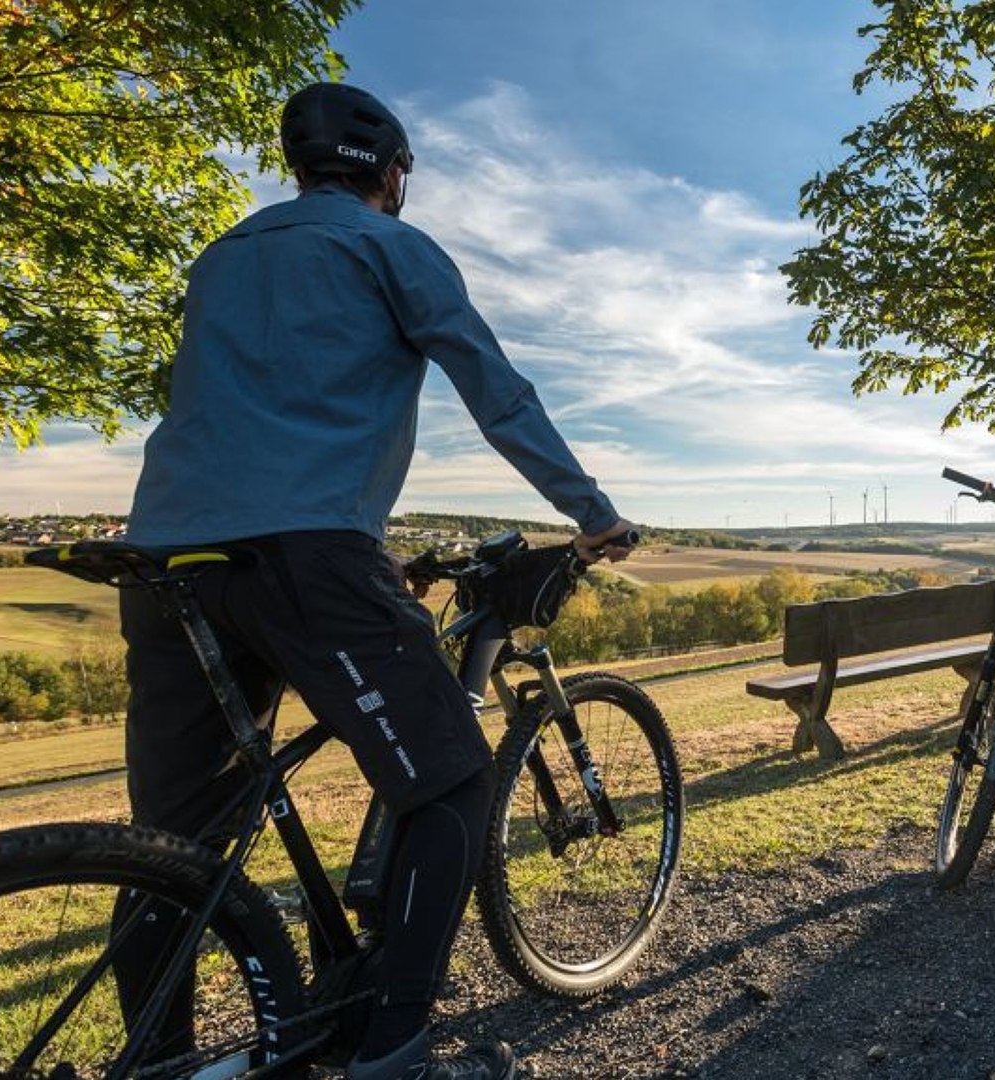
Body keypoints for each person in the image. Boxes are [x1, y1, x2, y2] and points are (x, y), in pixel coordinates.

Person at [118, 81, 630, 1080]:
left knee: (173, 850)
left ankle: (157, 1063)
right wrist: (591, 509)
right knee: (451, 783)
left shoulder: (222, 258)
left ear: (297, 168)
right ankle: (394, 1047)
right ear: (392, 174)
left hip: (165, 556)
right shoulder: (392, 245)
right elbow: (495, 390)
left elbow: (244, 408)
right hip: (306, 555)